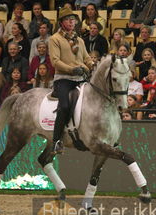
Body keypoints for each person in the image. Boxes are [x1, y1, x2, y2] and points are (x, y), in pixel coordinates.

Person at [48, 7, 93, 154]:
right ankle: (56, 141)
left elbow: (86, 58)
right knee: (65, 106)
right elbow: (55, 61)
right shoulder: (55, 39)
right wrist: (71, 69)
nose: (71, 22)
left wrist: (92, 66)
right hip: (64, 79)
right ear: (61, 22)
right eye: (68, 19)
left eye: (73, 19)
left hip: (80, 78)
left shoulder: (79, 40)